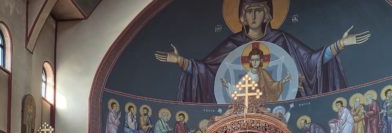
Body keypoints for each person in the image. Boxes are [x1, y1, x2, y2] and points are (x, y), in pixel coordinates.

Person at [155, 0, 370, 103]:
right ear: (242, 16)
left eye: (258, 10)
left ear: (267, 15)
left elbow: (311, 61)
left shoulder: (282, 40)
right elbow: (208, 71)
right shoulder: (232, 44)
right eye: (249, 11)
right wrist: (180, 61)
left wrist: (339, 45)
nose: (253, 15)